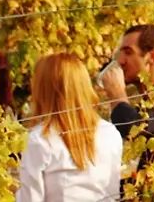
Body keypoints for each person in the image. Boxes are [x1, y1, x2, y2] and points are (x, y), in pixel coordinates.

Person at [17, 53, 124, 202]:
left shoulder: (40, 139)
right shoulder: (110, 133)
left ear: (43, 90)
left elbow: (30, 199)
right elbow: (113, 193)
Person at [102, 25, 154, 145]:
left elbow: (133, 128)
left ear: (152, 56)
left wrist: (117, 93)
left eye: (128, 52)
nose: (120, 61)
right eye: (120, 54)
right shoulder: (153, 98)